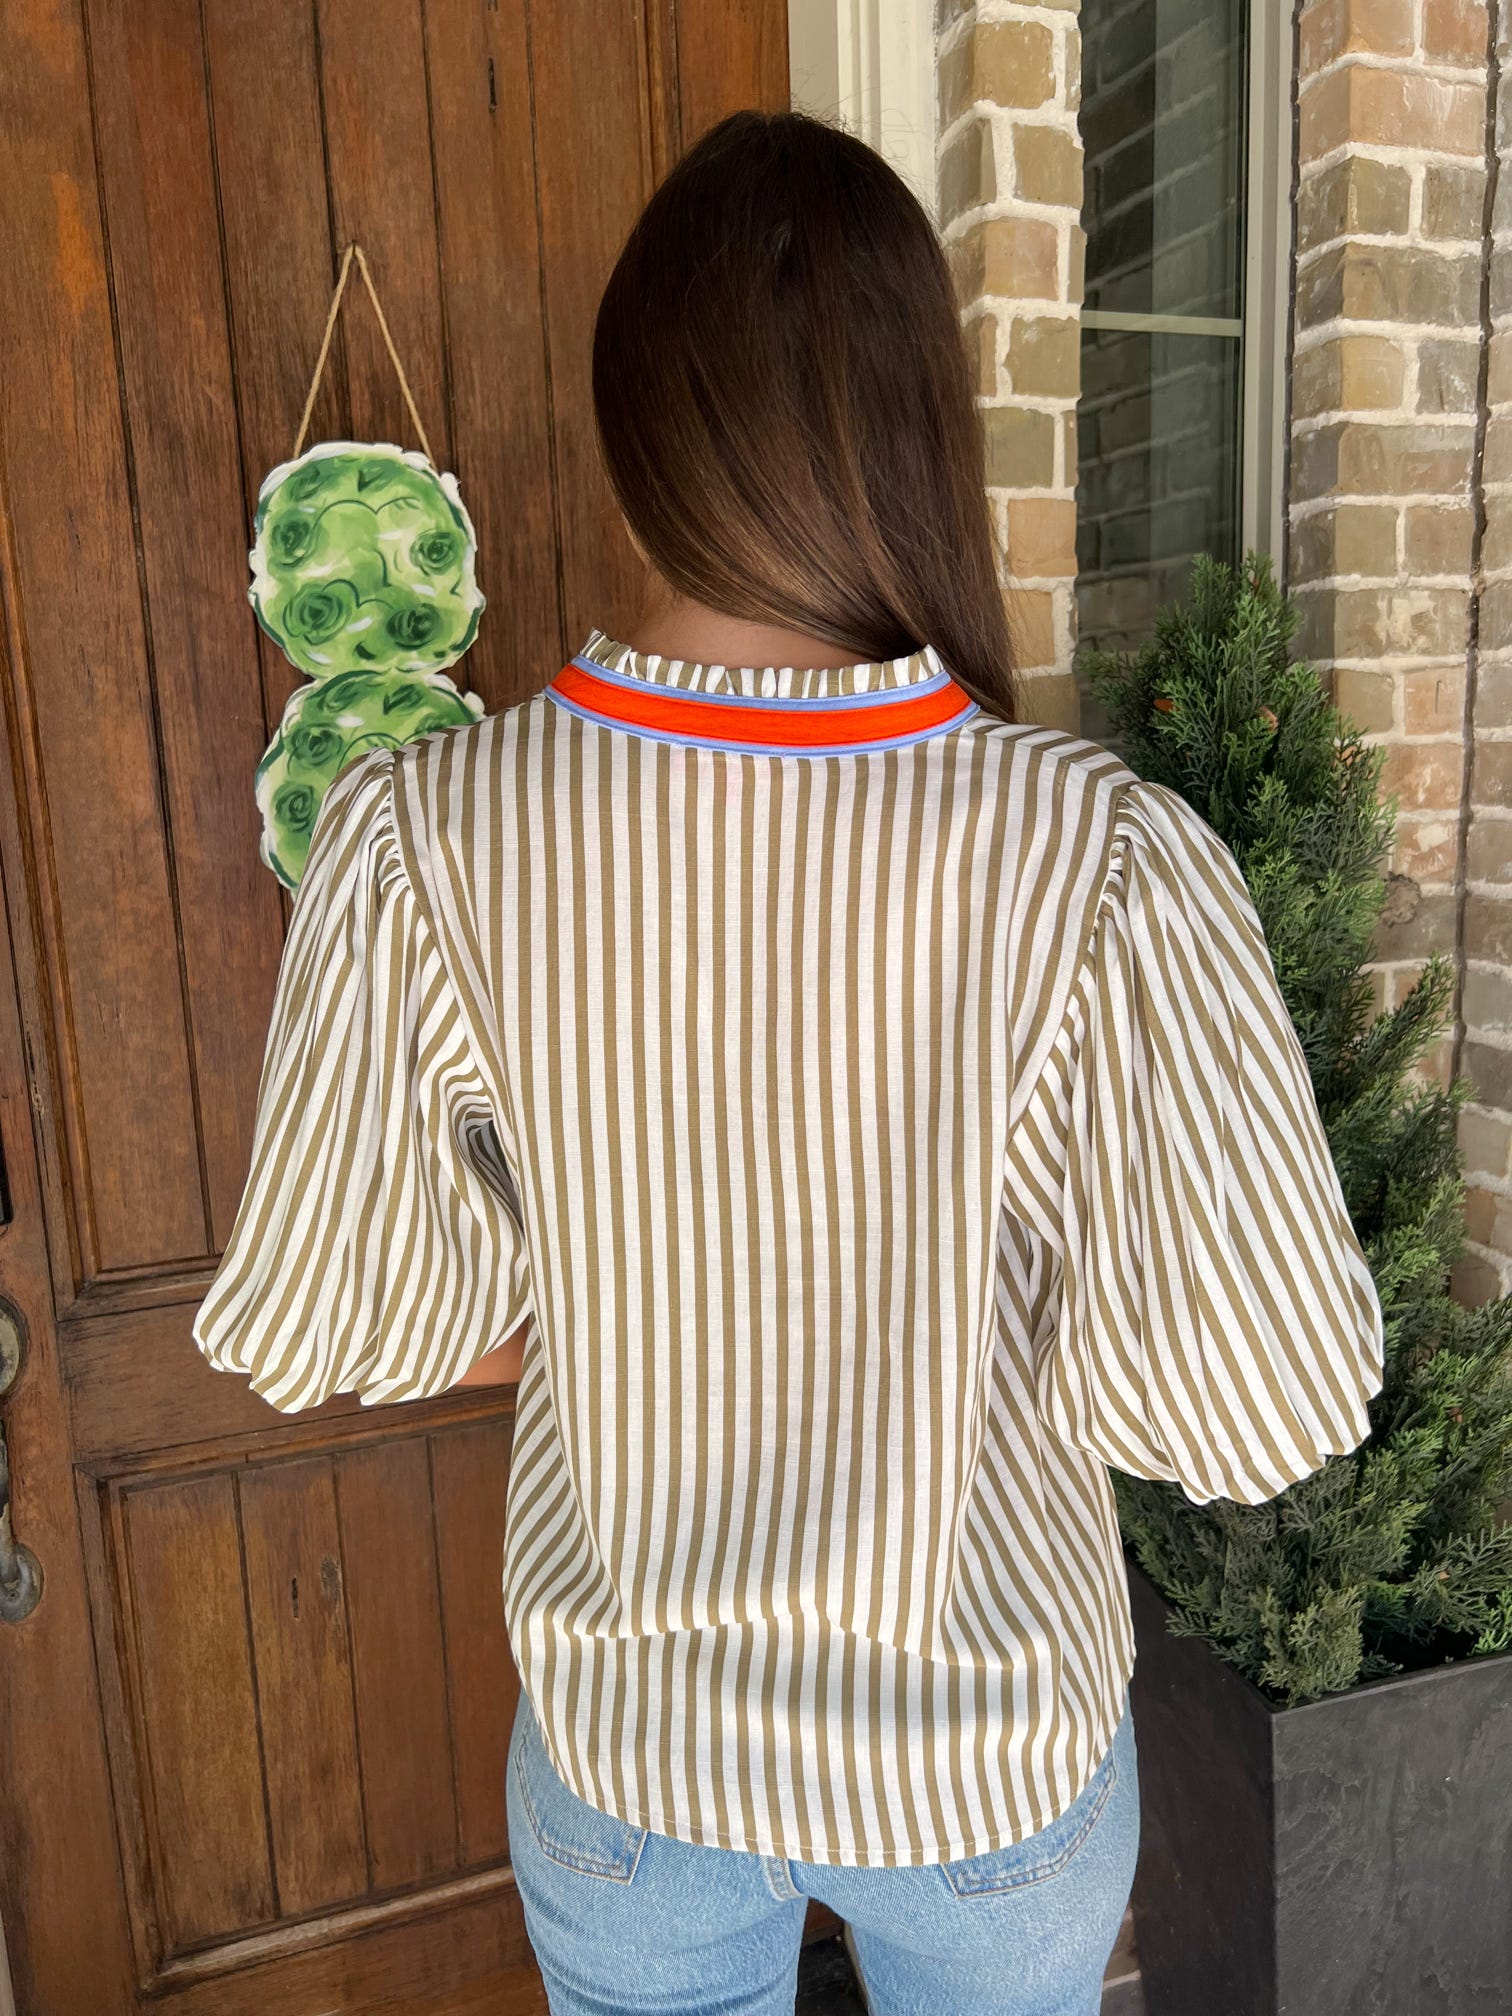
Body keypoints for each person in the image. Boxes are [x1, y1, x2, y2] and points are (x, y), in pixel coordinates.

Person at [194, 110, 1385, 2016]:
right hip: (986, 1761)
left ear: (632, 423)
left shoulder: (429, 836)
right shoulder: (1096, 861)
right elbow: (1251, 1404)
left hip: (632, 1760)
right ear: (929, 428)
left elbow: (353, 1313)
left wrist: (614, 1250)